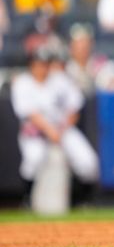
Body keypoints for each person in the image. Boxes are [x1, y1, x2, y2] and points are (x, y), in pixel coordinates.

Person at [11, 46, 99, 208]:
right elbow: (31, 114)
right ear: (31, 64)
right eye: (38, 63)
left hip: (62, 129)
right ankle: (27, 200)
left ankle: (83, 201)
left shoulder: (59, 80)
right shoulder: (23, 82)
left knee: (88, 161)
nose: (42, 67)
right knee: (33, 159)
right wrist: (51, 131)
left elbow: (75, 108)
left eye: (45, 63)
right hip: (35, 132)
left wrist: (62, 129)